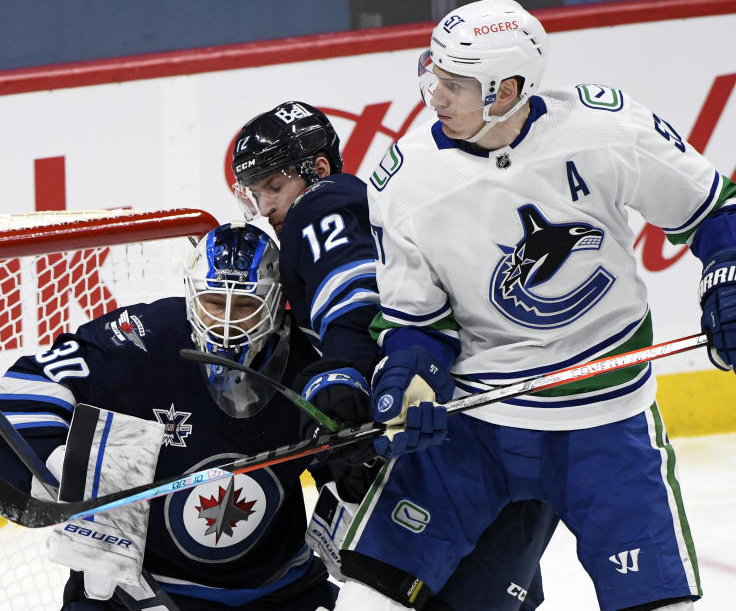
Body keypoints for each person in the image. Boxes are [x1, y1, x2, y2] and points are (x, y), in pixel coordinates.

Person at [335, 0, 736, 611]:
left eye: (456, 84)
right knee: (369, 590)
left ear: (509, 89)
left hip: (607, 419)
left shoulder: (607, 128)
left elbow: (710, 208)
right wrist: (408, 379)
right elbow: (419, 322)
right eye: (431, 72)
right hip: (477, 420)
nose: (434, 95)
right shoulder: (404, 180)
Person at [231, 101, 558, 610]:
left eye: (273, 186)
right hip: (501, 432)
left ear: (316, 169)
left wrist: (347, 381)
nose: (266, 205)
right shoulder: (365, 209)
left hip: (460, 442)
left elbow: (356, 303)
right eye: (255, 192)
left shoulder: (322, 203)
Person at [0, 222, 338, 611]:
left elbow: (347, 460)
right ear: (192, 295)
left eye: (247, 306)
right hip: (135, 593)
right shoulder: (141, 339)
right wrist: (61, 466)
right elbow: (17, 394)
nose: (228, 322)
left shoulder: (310, 361)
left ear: (276, 302)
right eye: (215, 302)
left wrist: (346, 488)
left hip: (281, 590)